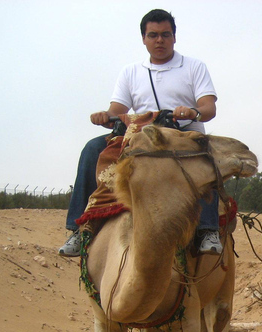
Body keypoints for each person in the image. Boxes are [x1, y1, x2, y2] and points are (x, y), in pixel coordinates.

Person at [59, 9, 222, 257]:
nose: (159, 40)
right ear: (144, 39)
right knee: (93, 148)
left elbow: (208, 108)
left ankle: (208, 230)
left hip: (182, 135)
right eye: (153, 35)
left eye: (165, 35)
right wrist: (104, 116)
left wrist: (191, 113)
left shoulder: (193, 67)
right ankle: (77, 229)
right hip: (140, 137)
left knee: (207, 157)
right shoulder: (131, 72)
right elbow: (117, 110)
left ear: (174, 38)